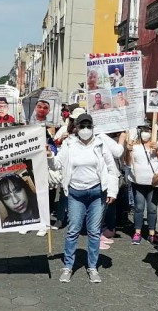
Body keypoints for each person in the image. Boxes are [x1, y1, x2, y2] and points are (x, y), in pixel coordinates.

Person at [49, 114, 118, 283]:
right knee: (73, 230)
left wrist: (112, 191)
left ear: (93, 127)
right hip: (75, 193)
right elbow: (57, 164)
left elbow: (112, 169)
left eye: (88, 126)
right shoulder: (69, 144)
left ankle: (92, 267)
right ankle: (68, 266)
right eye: (82, 126)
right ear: (76, 128)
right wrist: (49, 155)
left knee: (94, 232)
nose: (85, 129)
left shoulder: (100, 144)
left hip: (97, 193)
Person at [126, 123, 158, 245]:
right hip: (138, 182)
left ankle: (152, 233)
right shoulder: (135, 146)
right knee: (139, 208)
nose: (145, 132)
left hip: (154, 182)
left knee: (152, 209)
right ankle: (137, 232)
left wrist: (157, 150)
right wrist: (128, 151)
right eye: (142, 130)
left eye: (147, 130)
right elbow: (127, 162)